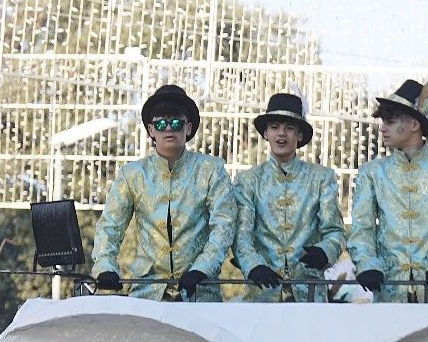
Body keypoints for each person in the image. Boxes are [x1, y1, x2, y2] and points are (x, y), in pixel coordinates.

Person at [91, 84, 235, 302]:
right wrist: (105, 266)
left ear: (188, 128)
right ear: (151, 130)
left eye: (176, 123)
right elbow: (110, 225)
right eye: (161, 123)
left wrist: (202, 269)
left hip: (200, 293)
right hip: (147, 294)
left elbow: (224, 225)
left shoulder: (211, 170)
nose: (168, 128)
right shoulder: (133, 174)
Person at [349, 77, 428, 302]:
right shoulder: (372, 172)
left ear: (414, 124)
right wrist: (367, 263)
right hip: (388, 289)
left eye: (390, 121)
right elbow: (362, 227)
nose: (383, 128)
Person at [234, 90, 346, 300]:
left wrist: (324, 251)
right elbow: (241, 235)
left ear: (300, 135)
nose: (281, 134)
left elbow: (336, 231)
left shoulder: (321, 178)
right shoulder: (247, 180)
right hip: (262, 293)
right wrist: (254, 266)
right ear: (265, 133)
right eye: (274, 127)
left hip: (310, 293)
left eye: (289, 128)